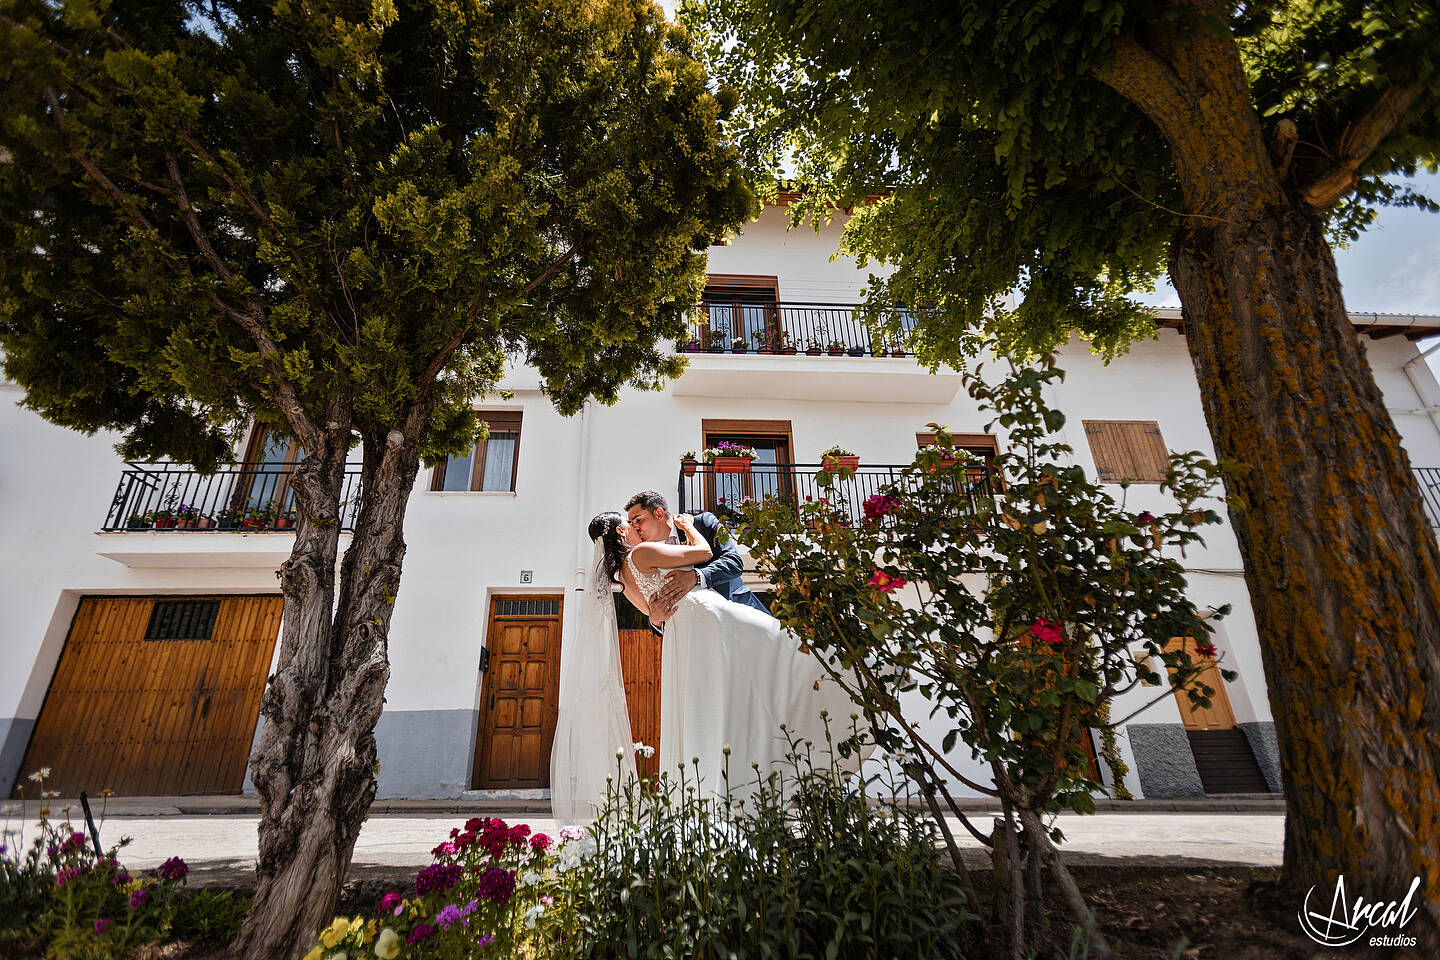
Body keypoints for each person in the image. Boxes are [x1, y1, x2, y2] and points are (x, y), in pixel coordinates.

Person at [550, 505, 867, 820]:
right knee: (781, 648)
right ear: (621, 532)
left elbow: (654, 614)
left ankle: (711, 792)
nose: (637, 527)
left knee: (710, 706)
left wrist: (659, 616)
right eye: (631, 524)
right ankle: (850, 673)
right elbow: (701, 553)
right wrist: (688, 528)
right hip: (704, 616)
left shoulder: (622, 578)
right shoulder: (643, 553)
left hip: (681, 635)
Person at [623, 490, 768, 631]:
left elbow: (734, 562)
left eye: (638, 520)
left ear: (659, 513)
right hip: (700, 637)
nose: (635, 527)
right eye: (631, 523)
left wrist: (695, 576)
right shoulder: (648, 556)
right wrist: (655, 620)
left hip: (740, 614)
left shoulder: (702, 523)